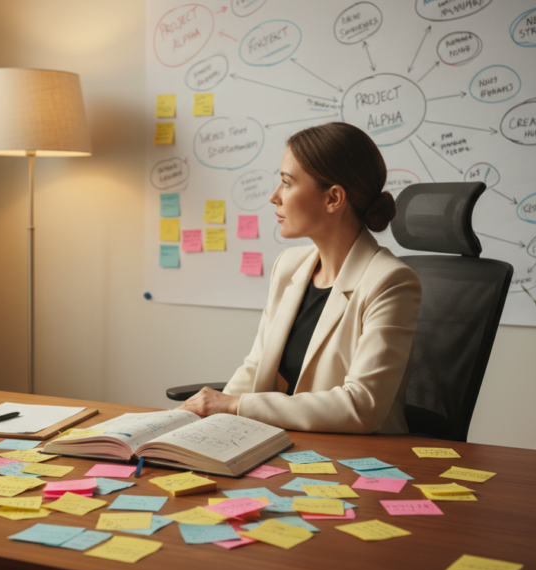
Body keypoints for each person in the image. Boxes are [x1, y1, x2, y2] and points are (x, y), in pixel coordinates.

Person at [177, 122, 421, 434]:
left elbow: (362, 406)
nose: (274, 196)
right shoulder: (289, 266)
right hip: (281, 443)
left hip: (352, 459)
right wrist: (204, 413)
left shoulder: (391, 282)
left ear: (333, 198)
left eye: (287, 183)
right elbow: (255, 368)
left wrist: (234, 405)